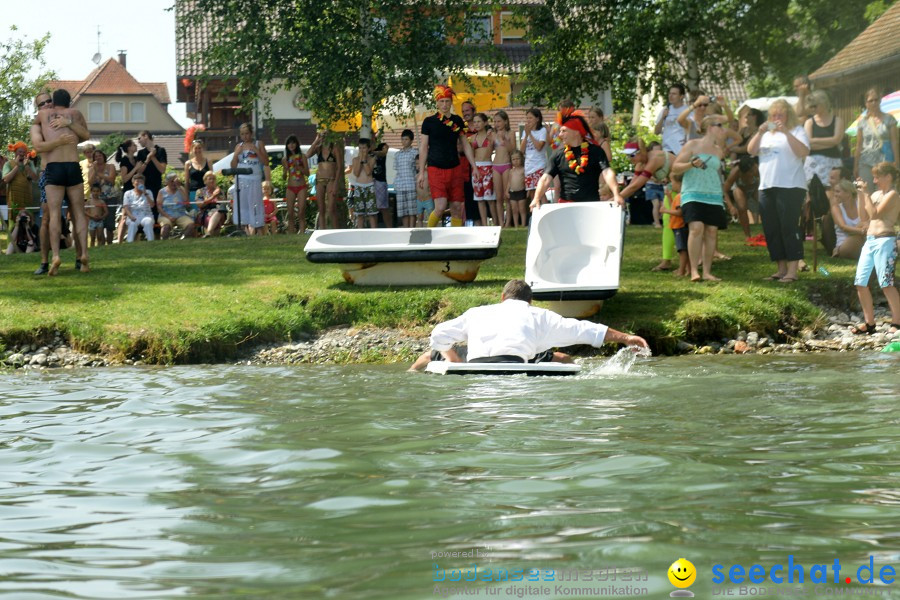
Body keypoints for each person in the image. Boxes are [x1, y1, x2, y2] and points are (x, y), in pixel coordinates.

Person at [415, 279, 647, 369]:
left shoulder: (477, 313)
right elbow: (584, 329)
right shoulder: (538, 315)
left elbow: (438, 335)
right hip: (515, 370)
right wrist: (626, 338)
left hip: (475, 373)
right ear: (530, 301)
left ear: (503, 298)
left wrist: (452, 359)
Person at [748, 98, 811, 283]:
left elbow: (802, 152)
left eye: (780, 115)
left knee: (789, 227)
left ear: (788, 116)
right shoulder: (767, 134)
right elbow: (751, 150)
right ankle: (781, 268)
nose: (776, 118)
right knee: (772, 228)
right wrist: (759, 133)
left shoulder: (797, 131)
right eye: (773, 115)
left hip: (791, 186)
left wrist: (786, 132)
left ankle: (793, 270)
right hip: (767, 186)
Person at [31, 88, 90, 275]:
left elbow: (84, 136)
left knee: (56, 214)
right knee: (76, 214)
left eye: (48, 101)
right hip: (70, 167)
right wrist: (64, 133)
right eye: (42, 103)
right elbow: (86, 136)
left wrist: (67, 124)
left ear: (53, 101)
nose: (46, 105)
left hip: (54, 169)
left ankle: (57, 256)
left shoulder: (44, 116)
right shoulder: (74, 114)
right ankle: (82, 256)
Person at [672, 115, 735, 282]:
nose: (723, 129)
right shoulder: (692, 145)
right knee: (696, 228)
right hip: (692, 192)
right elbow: (675, 168)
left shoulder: (718, 151)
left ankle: (707, 272)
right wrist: (691, 164)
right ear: (709, 127)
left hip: (713, 194)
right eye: (720, 125)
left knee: (712, 231)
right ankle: (694, 271)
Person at [529, 108, 623, 209]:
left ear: (576, 132)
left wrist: (616, 194)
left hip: (591, 206)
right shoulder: (558, 155)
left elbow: (607, 172)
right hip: (566, 206)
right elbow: (545, 178)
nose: (560, 135)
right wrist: (536, 198)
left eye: (564, 131)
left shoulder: (596, 152)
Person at [849, 163, 899, 335]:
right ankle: (869, 323)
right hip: (870, 241)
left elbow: (875, 214)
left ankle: (897, 322)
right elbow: (863, 217)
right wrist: (861, 196)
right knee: (860, 283)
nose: (875, 180)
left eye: (878, 177)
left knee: (886, 283)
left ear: (889, 177)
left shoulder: (892, 194)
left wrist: (866, 194)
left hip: (885, 241)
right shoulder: (876, 194)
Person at [418, 85, 477, 228]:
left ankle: (455, 240)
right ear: (437, 103)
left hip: (455, 167)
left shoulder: (458, 121)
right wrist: (421, 171)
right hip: (435, 168)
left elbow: (465, 144)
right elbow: (424, 147)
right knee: (440, 206)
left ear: (451, 103)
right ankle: (427, 235)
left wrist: (474, 166)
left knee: (457, 207)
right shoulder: (429, 122)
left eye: (447, 101)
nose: (444, 104)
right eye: (442, 101)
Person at [723, 106, 764, 239]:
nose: (746, 118)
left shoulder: (759, 132)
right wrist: (730, 206)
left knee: (765, 204)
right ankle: (748, 236)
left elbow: (748, 148)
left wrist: (734, 149)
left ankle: (771, 231)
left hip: (753, 165)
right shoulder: (743, 130)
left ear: (755, 117)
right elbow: (725, 188)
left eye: (749, 115)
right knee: (741, 206)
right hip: (741, 167)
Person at [854, 87, 899, 193]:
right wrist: (855, 165)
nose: (874, 103)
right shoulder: (862, 122)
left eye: (876, 99)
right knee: (866, 191)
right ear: (866, 103)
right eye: (870, 100)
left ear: (880, 101)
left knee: (884, 191)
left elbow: (894, 141)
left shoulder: (889, 119)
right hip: (866, 161)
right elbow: (859, 145)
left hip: (885, 161)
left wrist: (897, 161)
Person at [620, 138, 673, 228]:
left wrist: (615, 199)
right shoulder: (640, 164)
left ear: (641, 151)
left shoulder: (654, 159)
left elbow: (635, 186)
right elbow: (632, 185)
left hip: (687, 186)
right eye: (627, 155)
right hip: (674, 189)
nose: (629, 158)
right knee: (669, 223)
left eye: (632, 155)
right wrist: (616, 198)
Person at [230, 122, 270, 234]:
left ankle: (259, 229)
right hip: (241, 180)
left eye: (247, 133)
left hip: (254, 180)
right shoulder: (238, 146)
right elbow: (233, 166)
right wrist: (236, 154)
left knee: (255, 204)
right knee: (242, 205)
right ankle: (244, 230)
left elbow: (266, 162)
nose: (245, 136)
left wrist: (256, 150)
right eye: (242, 134)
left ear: (251, 133)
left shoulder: (259, 144)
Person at [804, 90, 844, 190]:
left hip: (833, 163)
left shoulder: (837, 120)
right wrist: (830, 142)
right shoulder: (809, 122)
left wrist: (814, 140)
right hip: (813, 165)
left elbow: (836, 140)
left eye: (815, 106)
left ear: (824, 103)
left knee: (834, 192)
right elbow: (808, 143)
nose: (812, 109)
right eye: (811, 106)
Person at [468, 112, 498, 226]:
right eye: (474, 122)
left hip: (488, 166)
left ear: (485, 122)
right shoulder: (471, 138)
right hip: (476, 167)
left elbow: (491, 151)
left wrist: (490, 139)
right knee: (479, 198)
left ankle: (496, 223)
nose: (476, 124)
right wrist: (474, 167)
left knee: (490, 198)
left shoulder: (490, 135)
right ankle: (485, 225)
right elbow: (471, 154)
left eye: (479, 121)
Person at [307, 130, 340, 229]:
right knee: (321, 209)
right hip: (320, 180)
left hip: (331, 180)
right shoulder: (318, 149)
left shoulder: (334, 149)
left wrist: (335, 184)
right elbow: (307, 155)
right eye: (322, 135)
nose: (324, 137)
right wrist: (316, 141)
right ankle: (322, 231)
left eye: (326, 135)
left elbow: (339, 167)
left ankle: (335, 231)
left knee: (331, 209)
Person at [2, 142, 38, 231]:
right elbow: (6, 180)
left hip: (27, 201)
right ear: (15, 152)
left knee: (29, 225)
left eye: (24, 152)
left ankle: (30, 244)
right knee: (14, 226)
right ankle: (12, 245)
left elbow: (35, 178)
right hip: (14, 201)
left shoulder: (29, 164)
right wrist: (16, 166)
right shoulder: (8, 164)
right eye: (20, 152)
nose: (22, 154)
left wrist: (27, 167)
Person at [660, 173, 689, 277]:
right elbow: (676, 207)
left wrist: (666, 211)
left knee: (682, 250)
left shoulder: (680, 196)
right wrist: (669, 197)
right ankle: (687, 270)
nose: (671, 185)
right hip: (679, 226)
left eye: (672, 182)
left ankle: (681, 271)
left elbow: (679, 213)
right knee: (685, 249)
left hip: (679, 227)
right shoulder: (681, 196)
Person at [829, 179, 866, 259]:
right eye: (835, 191)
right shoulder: (836, 208)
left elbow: (866, 221)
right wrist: (862, 231)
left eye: (838, 191)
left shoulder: (859, 204)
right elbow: (843, 227)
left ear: (848, 193)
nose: (835, 194)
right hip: (845, 244)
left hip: (862, 240)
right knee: (858, 237)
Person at [89, 149, 118, 246]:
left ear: (103, 156)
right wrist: (94, 170)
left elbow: (111, 180)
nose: (98, 158)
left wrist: (99, 173)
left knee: (110, 221)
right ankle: (100, 244)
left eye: (100, 155)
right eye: (96, 156)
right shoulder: (92, 169)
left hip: (110, 197)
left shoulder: (110, 166)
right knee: (98, 221)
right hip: (97, 199)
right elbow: (90, 183)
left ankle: (109, 244)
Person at [492, 110, 515, 226]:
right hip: (495, 165)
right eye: (495, 121)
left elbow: (513, 151)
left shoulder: (510, 133)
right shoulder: (492, 134)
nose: (497, 124)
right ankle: (500, 222)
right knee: (498, 197)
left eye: (499, 121)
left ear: (505, 121)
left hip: (506, 165)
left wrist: (504, 140)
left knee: (507, 197)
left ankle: (508, 222)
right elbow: (488, 150)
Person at [520, 108, 547, 208]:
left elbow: (539, 147)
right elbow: (521, 150)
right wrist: (526, 134)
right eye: (527, 118)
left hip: (539, 165)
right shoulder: (525, 132)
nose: (528, 120)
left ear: (537, 119)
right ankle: (535, 213)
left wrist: (530, 134)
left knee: (540, 192)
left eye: (530, 118)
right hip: (528, 166)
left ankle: (545, 212)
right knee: (531, 192)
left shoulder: (542, 130)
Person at [115, 139, 141, 243]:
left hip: (137, 191)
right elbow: (124, 178)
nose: (136, 146)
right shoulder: (124, 161)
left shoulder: (136, 159)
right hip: (128, 191)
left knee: (136, 215)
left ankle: (134, 240)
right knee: (125, 215)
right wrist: (135, 168)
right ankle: (120, 240)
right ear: (129, 148)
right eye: (134, 145)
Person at [281, 135, 309, 234]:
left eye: (293, 143)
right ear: (287, 145)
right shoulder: (285, 159)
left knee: (301, 212)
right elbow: (284, 177)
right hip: (290, 187)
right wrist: (285, 170)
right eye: (289, 143)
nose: (291, 145)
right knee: (290, 212)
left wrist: (298, 166)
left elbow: (307, 173)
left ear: (296, 144)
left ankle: (302, 232)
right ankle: (291, 233)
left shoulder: (302, 156)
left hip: (301, 186)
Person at [157, 172, 195, 239]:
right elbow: (159, 207)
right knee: (166, 227)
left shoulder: (181, 189)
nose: (174, 183)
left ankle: (182, 240)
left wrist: (179, 187)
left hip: (180, 214)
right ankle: (164, 243)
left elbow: (186, 201)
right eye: (172, 181)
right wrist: (168, 217)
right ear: (167, 182)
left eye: (175, 181)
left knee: (190, 225)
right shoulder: (162, 192)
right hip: (166, 215)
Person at [350, 138, 378, 229]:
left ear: (368, 148)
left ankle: (374, 234)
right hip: (359, 186)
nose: (362, 150)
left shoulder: (372, 159)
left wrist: (364, 160)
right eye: (360, 148)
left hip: (369, 186)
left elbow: (368, 172)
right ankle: (360, 234)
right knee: (360, 214)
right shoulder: (355, 160)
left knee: (372, 214)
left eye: (364, 148)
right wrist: (360, 160)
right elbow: (356, 173)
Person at [136, 130, 168, 209]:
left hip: (156, 187)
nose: (138, 141)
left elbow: (162, 170)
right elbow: (139, 172)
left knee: (156, 212)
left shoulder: (161, 151)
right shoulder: (140, 153)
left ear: (146, 136)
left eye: (139, 138)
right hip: (143, 187)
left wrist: (153, 157)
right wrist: (147, 159)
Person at [655, 84, 690, 155]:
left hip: (681, 149)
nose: (670, 96)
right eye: (669, 93)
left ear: (681, 96)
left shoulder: (688, 111)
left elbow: (694, 129)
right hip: (667, 149)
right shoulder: (665, 110)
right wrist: (662, 117)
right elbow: (656, 131)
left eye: (674, 94)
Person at [394, 129, 418, 228]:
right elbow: (396, 169)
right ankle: (406, 231)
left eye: (406, 139)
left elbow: (418, 168)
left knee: (412, 211)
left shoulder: (415, 153)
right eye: (402, 139)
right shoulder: (397, 154)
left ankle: (412, 230)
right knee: (403, 211)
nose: (404, 141)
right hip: (400, 185)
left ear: (411, 140)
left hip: (411, 184)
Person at [122, 173, 155, 242]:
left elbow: (152, 205)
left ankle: (151, 242)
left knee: (148, 222)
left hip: (146, 215)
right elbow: (126, 207)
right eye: (137, 181)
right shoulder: (128, 193)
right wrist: (131, 216)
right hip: (133, 215)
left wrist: (145, 193)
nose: (139, 183)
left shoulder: (148, 192)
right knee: (132, 224)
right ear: (133, 183)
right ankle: (129, 243)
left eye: (141, 181)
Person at [195, 171, 226, 237]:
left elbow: (224, 203)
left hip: (219, 212)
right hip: (205, 212)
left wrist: (218, 196)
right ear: (205, 181)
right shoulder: (200, 191)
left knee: (218, 212)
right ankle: (211, 236)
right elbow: (200, 205)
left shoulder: (219, 191)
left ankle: (208, 233)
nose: (212, 180)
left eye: (214, 179)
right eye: (210, 179)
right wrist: (213, 196)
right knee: (213, 219)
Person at [183, 139, 211, 207]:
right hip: (193, 193)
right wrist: (186, 196)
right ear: (192, 149)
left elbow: (212, 178)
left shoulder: (208, 161)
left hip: (206, 193)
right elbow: (186, 182)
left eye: (199, 148)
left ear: (202, 149)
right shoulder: (188, 163)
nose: (197, 150)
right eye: (195, 148)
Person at [505, 151, 527, 228]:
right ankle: (516, 225)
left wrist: (527, 190)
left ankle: (523, 224)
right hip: (512, 192)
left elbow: (526, 181)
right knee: (514, 209)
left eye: (518, 159)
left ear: (521, 159)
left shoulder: (524, 170)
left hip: (521, 191)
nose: (516, 161)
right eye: (513, 159)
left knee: (522, 209)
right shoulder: (511, 171)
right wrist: (507, 191)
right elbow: (509, 182)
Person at [372, 141, 391, 227]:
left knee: (384, 208)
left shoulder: (381, 149)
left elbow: (384, 152)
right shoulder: (367, 151)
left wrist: (372, 152)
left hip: (381, 181)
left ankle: (389, 228)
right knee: (373, 209)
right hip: (371, 181)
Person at [85, 183, 108, 247]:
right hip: (92, 221)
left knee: (99, 237)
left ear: (100, 192)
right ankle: (92, 249)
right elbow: (84, 211)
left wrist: (101, 217)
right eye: (94, 191)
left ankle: (99, 249)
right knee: (92, 238)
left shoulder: (102, 202)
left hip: (99, 221)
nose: (95, 193)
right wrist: (91, 216)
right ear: (91, 192)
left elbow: (106, 212)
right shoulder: (89, 202)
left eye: (97, 191)